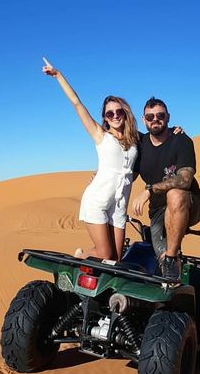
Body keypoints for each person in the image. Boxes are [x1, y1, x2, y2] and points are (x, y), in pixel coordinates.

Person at [42, 58, 139, 261]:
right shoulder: (100, 135)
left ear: (126, 113)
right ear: (104, 118)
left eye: (119, 111)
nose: (115, 116)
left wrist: (175, 131)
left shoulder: (136, 139)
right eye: (109, 113)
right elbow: (77, 104)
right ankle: (81, 257)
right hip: (97, 201)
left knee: (116, 260)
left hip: (119, 205)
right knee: (105, 254)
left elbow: (158, 139)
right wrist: (58, 75)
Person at [132, 97, 200, 284]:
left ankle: (172, 260)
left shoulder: (181, 140)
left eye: (160, 115)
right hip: (158, 210)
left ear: (168, 117)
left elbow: (185, 179)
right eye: (150, 116)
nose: (155, 119)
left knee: (175, 194)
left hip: (190, 202)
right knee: (158, 255)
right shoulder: (140, 144)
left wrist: (150, 190)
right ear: (143, 119)